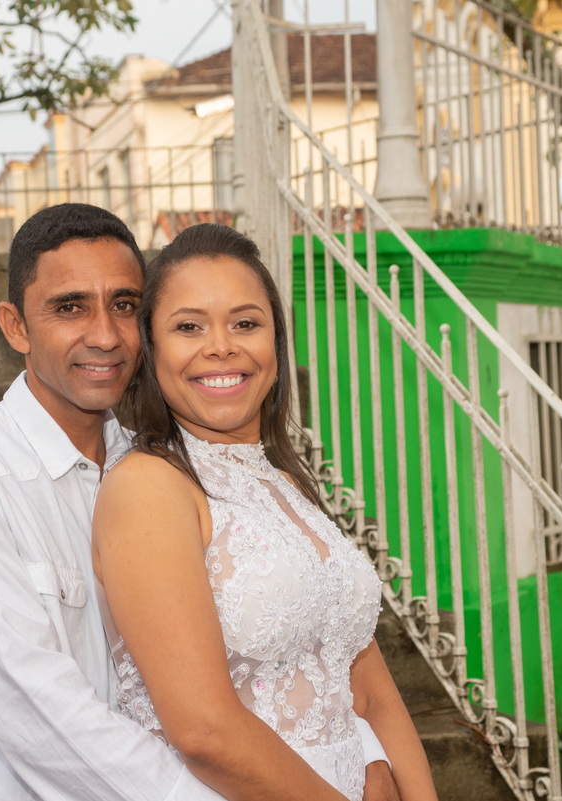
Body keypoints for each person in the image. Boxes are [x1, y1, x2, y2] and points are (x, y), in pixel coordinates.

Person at [0, 204, 394, 801]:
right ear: (16, 326)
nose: (104, 335)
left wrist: (355, 748)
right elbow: (38, 714)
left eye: (125, 306)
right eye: (70, 307)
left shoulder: (165, 467)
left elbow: (269, 651)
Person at [92, 224, 439, 801]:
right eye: (188, 327)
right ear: (152, 352)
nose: (221, 346)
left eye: (245, 323)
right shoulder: (149, 487)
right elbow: (203, 731)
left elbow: (369, 688)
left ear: (275, 342)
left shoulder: (281, 480)